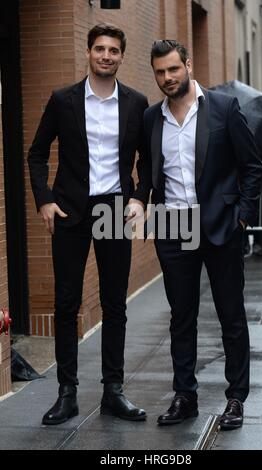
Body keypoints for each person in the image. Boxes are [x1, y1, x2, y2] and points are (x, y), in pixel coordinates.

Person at [131, 40, 262, 429]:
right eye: (160, 72)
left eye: (173, 69)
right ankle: (185, 396)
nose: (167, 78)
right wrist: (140, 200)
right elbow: (147, 167)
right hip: (173, 227)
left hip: (222, 225)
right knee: (181, 317)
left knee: (231, 316)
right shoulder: (152, 118)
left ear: (187, 65)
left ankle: (236, 398)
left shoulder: (223, 107)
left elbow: (252, 166)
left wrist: (241, 216)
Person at [28, 23, 148, 425]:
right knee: (66, 303)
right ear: (88, 52)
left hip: (114, 209)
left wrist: (138, 198)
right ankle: (67, 392)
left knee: (115, 303)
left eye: (114, 50)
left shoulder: (135, 102)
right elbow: (37, 154)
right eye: (100, 49)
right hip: (70, 211)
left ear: (121, 56)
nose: (106, 56)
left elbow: (147, 161)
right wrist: (44, 200)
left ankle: (113, 390)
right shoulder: (63, 100)